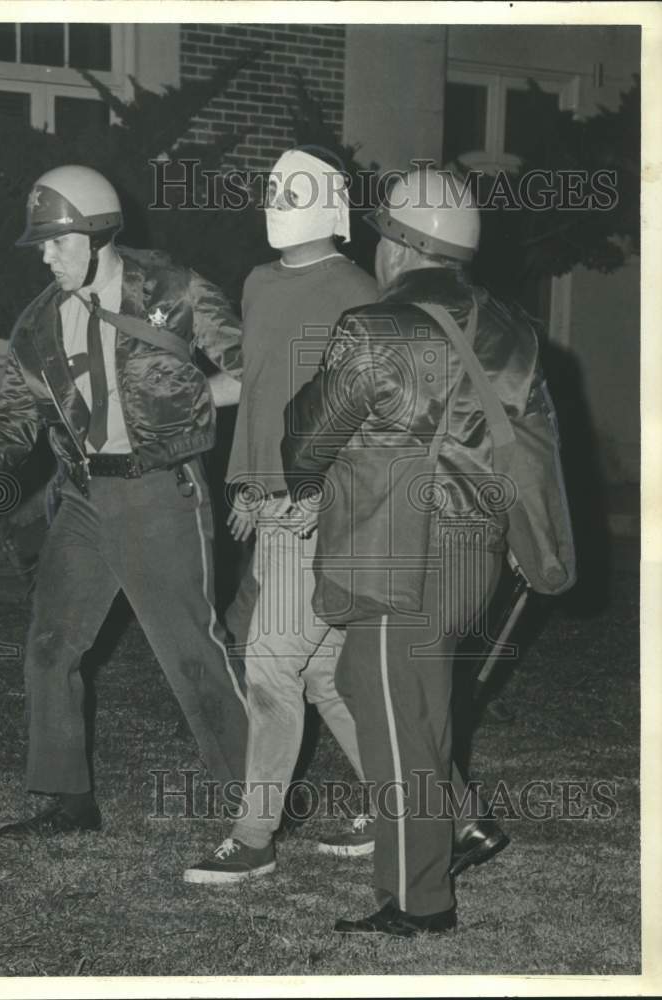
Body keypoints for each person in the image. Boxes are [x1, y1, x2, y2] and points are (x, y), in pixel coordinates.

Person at [183, 150, 504, 884]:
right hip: (277, 502)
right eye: (274, 189)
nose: (279, 201)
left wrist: (312, 497)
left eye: (296, 190)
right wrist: (245, 478)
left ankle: (254, 836)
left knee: (271, 664)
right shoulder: (258, 283)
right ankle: (454, 816)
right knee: (331, 674)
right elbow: (263, 387)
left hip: (327, 509)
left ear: (334, 206)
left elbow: (377, 414)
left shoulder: (360, 292)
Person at [0, 165, 248, 837]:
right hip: (81, 496)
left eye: (56, 242)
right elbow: (11, 422)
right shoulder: (39, 324)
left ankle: (256, 801)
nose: (46, 257)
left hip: (159, 489)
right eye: (41, 244)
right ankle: (67, 799)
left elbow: (252, 370)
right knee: (50, 644)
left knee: (191, 653)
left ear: (98, 235)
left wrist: (191, 403)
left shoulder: (175, 290)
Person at [281, 166, 537, 936]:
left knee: (395, 725)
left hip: (398, 553)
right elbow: (536, 447)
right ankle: (449, 832)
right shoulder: (510, 328)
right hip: (476, 548)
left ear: (397, 245)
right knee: (401, 697)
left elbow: (306, 441)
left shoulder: (373, 327)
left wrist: (305, 472)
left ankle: (417, 899)